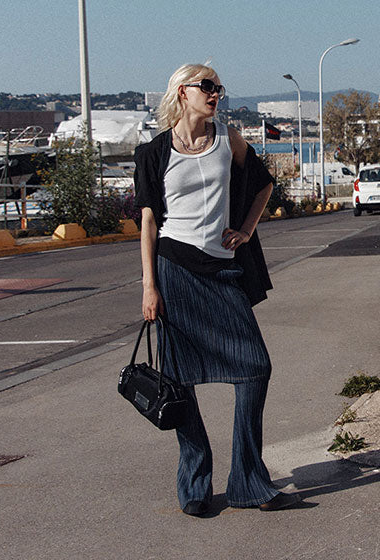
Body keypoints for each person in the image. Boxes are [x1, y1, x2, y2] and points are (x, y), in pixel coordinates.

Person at [133, 63, 300, 516]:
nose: (215, 94)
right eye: (207, 86)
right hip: (173, 270)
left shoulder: (229, 139)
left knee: (255, 367)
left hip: (223, 272)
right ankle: (195, 483)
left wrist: (246, 229)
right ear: (182, 92)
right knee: (180, 379)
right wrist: (149, 286)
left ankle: (247, 481)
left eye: (219, 88)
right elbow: (148, 223)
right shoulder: (153, 152)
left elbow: (264, 184)